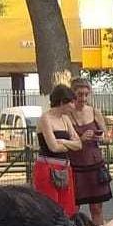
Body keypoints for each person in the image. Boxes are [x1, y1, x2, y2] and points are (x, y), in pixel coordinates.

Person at [68, 77, 113, 224]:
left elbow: (107, 137)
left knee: (97, 208)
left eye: (86, 94)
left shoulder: (94, 112)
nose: (83, 98)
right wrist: (80, 139)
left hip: (94, 164)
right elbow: (62, 141)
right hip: (75, 165)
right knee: (72, 209)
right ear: (72, 94)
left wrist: (101, 137)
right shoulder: (66, 114)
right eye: (80, 94)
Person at [33, 83, 80, 217]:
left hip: (64, 167)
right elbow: (53, 147)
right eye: (71, 102)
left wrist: (64, 142)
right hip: (47, 167)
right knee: (50, 209)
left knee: (68, 209)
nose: (74, 106)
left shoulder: (66, 119)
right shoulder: (46, 118)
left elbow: (79, 144)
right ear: (62, 102)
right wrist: (70, 144)